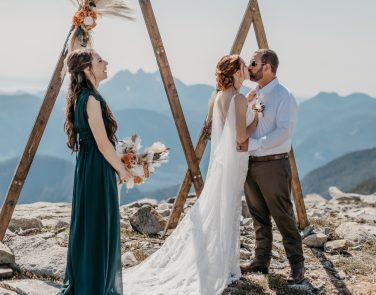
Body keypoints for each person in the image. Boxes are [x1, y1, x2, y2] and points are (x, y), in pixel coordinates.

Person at [123, 54, 258, 294]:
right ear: (237, 72)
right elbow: (240, 136)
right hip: (235, 161)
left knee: (219, 208)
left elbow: (225, 126)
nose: (248, 68)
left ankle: (222, 261)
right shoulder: (237, 99)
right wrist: (256, 116)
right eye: (243, 65)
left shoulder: (220, 97)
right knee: (228, 209)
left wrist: (246, 104)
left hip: (221, 162)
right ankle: (225, 264)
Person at [59, 48, 132, 294]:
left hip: (88, 167)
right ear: (88, 69)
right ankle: (95, 285)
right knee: (99, 224)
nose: (106, 62)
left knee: (90, 224)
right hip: (97, 168)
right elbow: (102, 143)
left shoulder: (81, 98)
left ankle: (88, 279)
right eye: (100, 60)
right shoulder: (90, 99)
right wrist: (122, 169)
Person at [239, 49, 305, 284]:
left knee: (283, 215)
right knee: (258, 215)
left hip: (273, 165)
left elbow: (284, 132)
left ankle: (297, 265)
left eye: (253, 62)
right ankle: (261, 260)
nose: (249, 66)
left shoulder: (283, 95)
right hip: (251, 163)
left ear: (267, 67)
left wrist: (253, 145)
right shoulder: (252, 94)